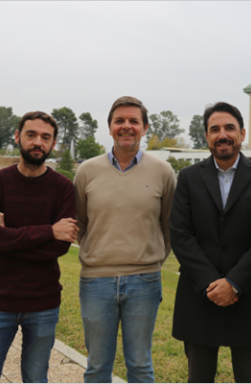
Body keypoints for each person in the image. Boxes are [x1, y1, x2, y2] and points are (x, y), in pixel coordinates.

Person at [169, 102, 251, 383]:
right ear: (206, 137)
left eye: (229, 128)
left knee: (249, 377)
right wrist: (212, 282)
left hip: (249, 294)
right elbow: (181, 234)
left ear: (241, 133)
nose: (222, 135)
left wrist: (234, 283)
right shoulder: (189, 178)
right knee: (199, 377)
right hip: (200, 295)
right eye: (214, 129)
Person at [0, 111, 78, 383]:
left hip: (43, 303)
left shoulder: (64, 188)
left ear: (53, 143)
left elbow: (59, 249)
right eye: (31, 135)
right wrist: (49, 231)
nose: (37, 142)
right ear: (18, 137)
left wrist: (10, 235)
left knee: (36, 377)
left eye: (45, 137)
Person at [74, 96, 176, 383]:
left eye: (134, 121)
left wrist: (148, 259)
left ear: (144, 128)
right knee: (97, 366)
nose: (126, 126)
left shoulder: (163, 172)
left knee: (141, 365)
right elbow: (81, 223)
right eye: (119, 121)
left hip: (144, 280)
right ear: (109, 127)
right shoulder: (86, 171)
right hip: (95, 281)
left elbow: (168, 227)